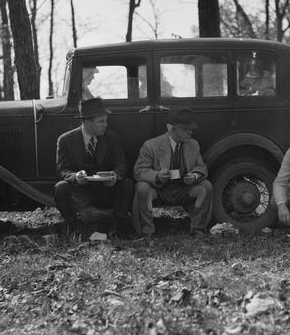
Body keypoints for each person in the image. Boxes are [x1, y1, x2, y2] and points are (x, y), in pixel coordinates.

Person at [131, 107, 213, 245]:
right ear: (172, 128)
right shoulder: (151, 145)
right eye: (185, 129)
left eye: (191, 128)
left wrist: (194, 175)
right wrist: (157, 176)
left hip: (183, 190)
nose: (190, 132)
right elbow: (138, 171)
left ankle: (198, 229)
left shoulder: (193, 144)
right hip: (159, 190)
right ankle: (147, 232)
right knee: (142, 187)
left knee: (206, 186)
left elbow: (201, 167)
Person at [53, 97, 134, 236]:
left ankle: (118, 226)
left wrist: (114, 176)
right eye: (101, 121)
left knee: (127, 184)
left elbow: (121, 165)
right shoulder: (65, 140)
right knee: (60, 187)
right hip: (80, 192)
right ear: (88, 123)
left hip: (106, 190)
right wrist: (76, 177)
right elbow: (62, 170)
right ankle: (73, 225)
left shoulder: (112, 138)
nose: (106, 125)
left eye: (105, 120)